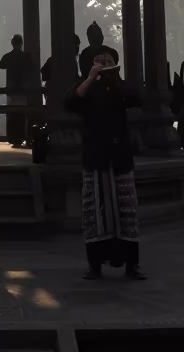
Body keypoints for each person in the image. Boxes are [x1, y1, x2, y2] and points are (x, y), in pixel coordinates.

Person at [66, 46, 144, 280]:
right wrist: (91, 77)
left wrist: (114, 76)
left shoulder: (120, 86)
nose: (103, 63)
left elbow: (137, 98)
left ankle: (132, 264)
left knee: (126, 212)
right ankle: (95, 265)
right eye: (99, 60)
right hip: (95, 156)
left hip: (119, 156)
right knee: (94, 213)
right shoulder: (86, 86)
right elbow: (70, 102)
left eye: (108, 60)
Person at [0, 34, 37, 148]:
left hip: (11, 88)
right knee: (22, 114)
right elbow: (34, 67)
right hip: (23, 89)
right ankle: (22, 136)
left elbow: (1, 65)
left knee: (12, 113)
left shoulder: (8, 56)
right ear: (21, 43)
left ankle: (13, 138)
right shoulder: (26, 56)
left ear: (12, 43)